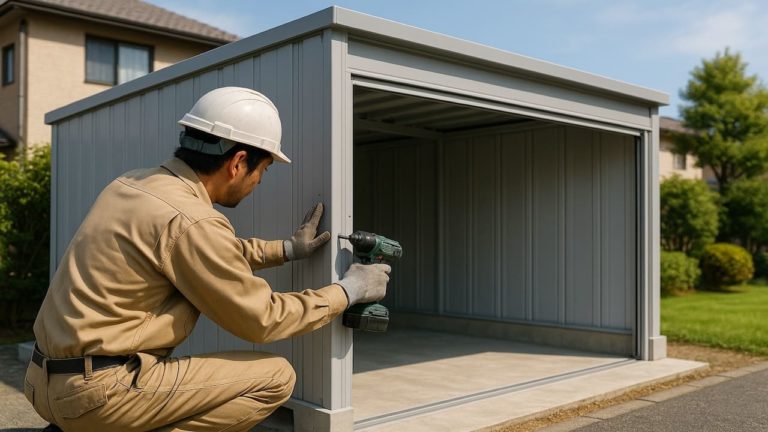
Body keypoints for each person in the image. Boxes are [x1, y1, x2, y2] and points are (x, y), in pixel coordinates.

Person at [24, 87, 390, 432]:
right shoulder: (192, 219)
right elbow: (261, 319)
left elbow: (204, 252)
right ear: (238, 162)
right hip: (98, 395)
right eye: (263, 170)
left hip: (43, 382)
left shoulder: (133, 184)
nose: (259, 182)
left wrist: (287, 249)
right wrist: (348, 290)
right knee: (276, 377)